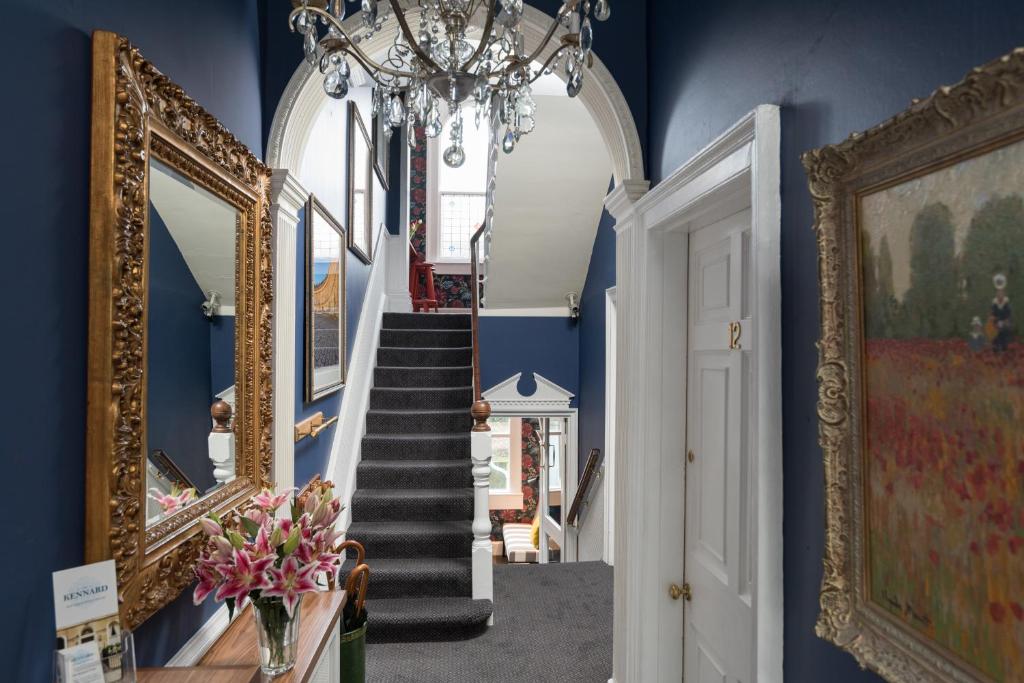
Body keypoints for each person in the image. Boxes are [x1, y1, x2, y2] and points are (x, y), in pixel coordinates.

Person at [990, 273, 1013, 352]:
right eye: (998, 293)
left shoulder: (1006, 303)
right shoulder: (994, 303)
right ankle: (995, 349)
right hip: (996, 322)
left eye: (1001, 293)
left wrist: (1004, 321)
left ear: (1004, 294)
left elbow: (1009, 314)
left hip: (1004, 322)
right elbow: (992, 313)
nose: (1000, 294)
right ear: (996, 294)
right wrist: (993, 318)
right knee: (994, 333)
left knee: (1004, 333)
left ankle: (1004, 348)